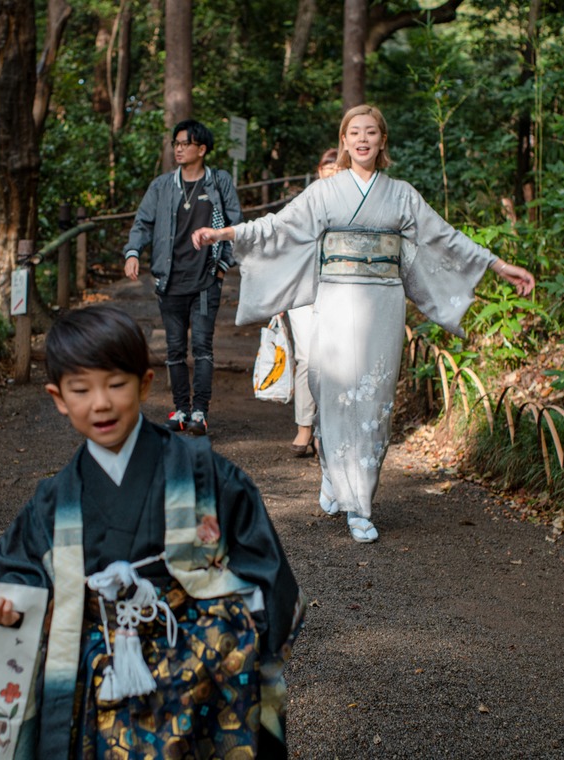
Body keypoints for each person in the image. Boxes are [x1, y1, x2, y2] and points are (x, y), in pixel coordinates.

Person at [0, 304, 305, 758]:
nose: (101, 402)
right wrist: (9, 598)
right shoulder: (52, 502)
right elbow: (22, 568)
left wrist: (235, 638)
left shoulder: (206, 476)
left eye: (116, 384)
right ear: (58, 398)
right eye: (81, 389)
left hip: (201, 678)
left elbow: (267, 573)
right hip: (95, 682)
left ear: (145, 384)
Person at [192, 104, 535, 544]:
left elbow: (443, 236)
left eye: (371, 132)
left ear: (382, 141)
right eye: (354, 132)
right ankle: (336, 476)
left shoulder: (402, 194)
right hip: (335, 297)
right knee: (330, 390)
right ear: (344, 140)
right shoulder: (325, 192)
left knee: (373, 399)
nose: (362, 139)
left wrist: (497, 264)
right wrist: (225, 234)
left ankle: (360, 503)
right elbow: (280, 226)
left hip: (384, 300)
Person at [123, 120, 243, 436]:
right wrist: (133, 252)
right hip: (169, 281)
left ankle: (200, 412)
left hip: (205, 280)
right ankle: (181, 410)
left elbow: (235, 226)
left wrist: (222, 267)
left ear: (201, 149)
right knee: (175, 350)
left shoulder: (219, 183)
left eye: (184, 143)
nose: (178, 148)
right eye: (175, 143)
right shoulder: (162, 186)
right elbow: (142, 223)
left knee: (202, 348)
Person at [286, 148, 341, 457]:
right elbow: (284, 244)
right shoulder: (303, 203)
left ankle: (324, 430)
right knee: (307, 358)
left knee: (331, 361)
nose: (331, 172)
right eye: (326, 167)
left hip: (338, 292)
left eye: (337, 167)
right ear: (319, 170)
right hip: (302, 291)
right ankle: (304, 427)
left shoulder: (351, 206)